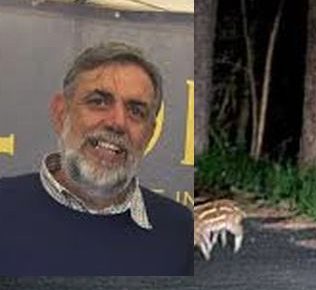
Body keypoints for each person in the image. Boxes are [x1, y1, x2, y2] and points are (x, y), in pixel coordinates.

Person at [0, 42, 192, 276]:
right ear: (61, 114)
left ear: (149, 133)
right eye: (99, 102)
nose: (117, 122)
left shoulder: (182, 232)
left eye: (136, 111)